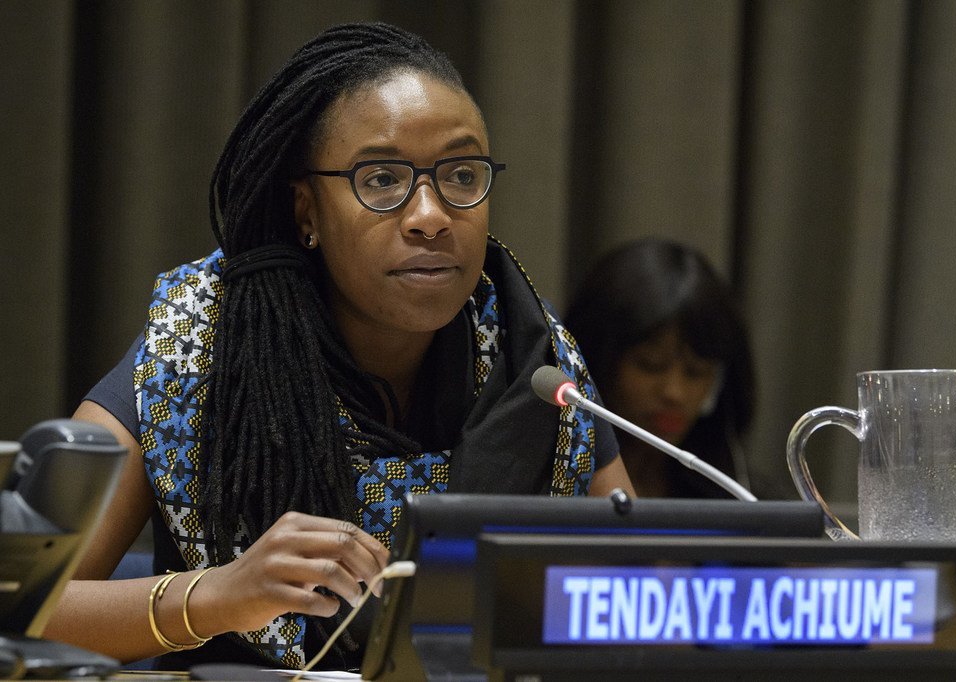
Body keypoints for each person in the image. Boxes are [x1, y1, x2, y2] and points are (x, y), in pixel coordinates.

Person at [43, 22, 633, 672]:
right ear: (306, 212)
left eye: (462, 174)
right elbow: (22, 611)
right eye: (381, 180)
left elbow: (638, 603)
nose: (430, 214)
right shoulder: (200, 350)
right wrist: (214, 596)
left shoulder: (536, 364)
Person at [564, 238, 755, 499]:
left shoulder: (742, 497)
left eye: (695, 372)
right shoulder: (549, 486)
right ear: (597, 361)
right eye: (650, 365)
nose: (674, 393)